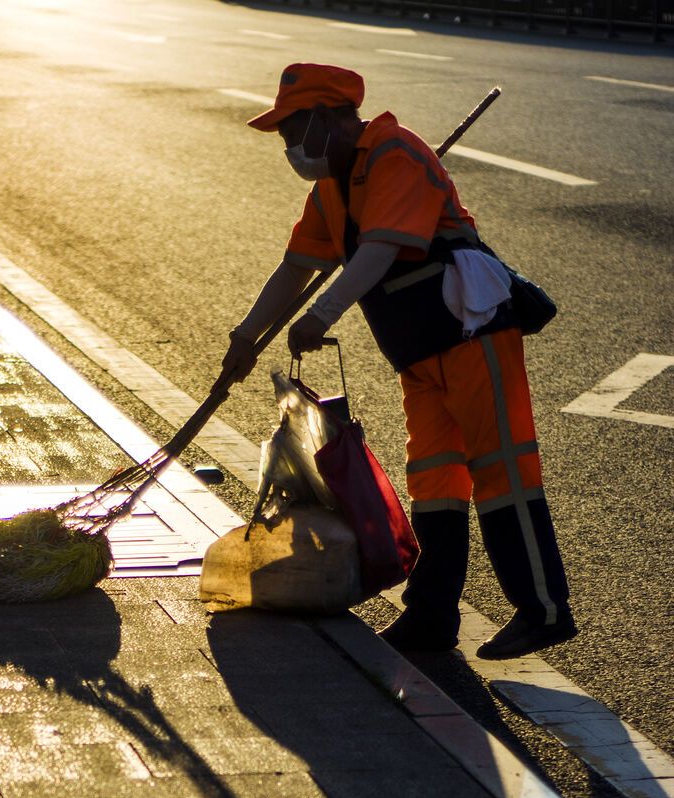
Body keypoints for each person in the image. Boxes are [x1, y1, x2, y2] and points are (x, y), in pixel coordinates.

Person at [220, 63, 575, 660]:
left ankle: (543, 609)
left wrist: (322, 315)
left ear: (333, 117)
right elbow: (296, 266)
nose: (288, 143)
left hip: (472, 330)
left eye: (295, 126)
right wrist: (246, 336)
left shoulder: (394, 153)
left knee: (501, 469)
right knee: (434, 480)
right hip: (418, 347)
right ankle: (432, 617)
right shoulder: (331, 184)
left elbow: (381, 248)